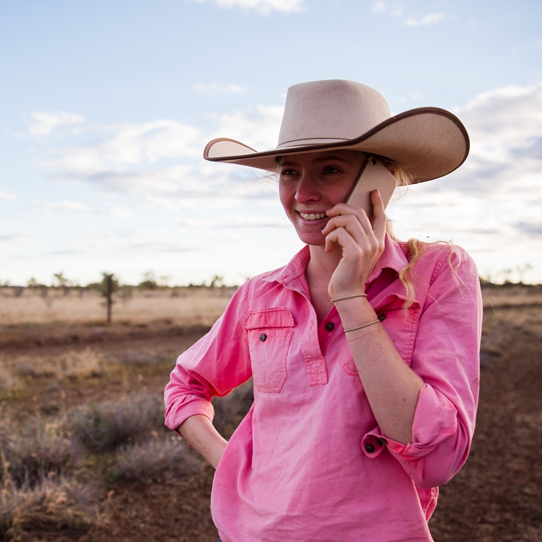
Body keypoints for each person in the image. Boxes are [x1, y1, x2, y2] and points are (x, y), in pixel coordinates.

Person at [164, 79, 482, 541]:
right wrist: (231, 462)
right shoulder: (262, 293)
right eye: (289, 171)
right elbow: (185, 385)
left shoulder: (437, 273)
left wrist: (352, 297)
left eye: (330, 169)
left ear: (380, 181)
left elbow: (437, 457)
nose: (303, 193)